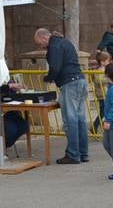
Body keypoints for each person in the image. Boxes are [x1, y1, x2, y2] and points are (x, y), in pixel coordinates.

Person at [35, 27, 88, 164]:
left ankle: (73, 154)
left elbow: (56, 67)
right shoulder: (64, 41)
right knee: (80, 119)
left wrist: (48, 77)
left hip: (69, 83)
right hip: (80, 81)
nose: (40, 46)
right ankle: (83, 153)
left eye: (39, 43)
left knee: (70, 121)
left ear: (44, 38)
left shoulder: (54, 46)